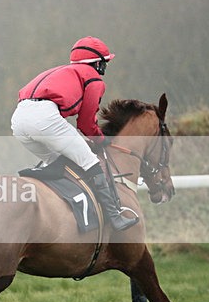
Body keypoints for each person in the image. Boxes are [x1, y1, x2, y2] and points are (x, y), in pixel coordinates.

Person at [10, 36, 138, 231]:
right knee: (90, 162)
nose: (105, 67)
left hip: (18, 120)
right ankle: (115, 216)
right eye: (105, 63)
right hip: (44, 118)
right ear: (97, 63)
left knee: (57, 163)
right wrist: (101, 139)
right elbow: (86, 124)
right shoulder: (93, 79)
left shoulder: (60, 70)